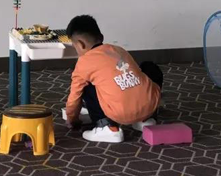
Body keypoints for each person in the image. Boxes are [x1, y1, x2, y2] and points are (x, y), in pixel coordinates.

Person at [64, 15, 162, 143]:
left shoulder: (83, 63)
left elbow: (74, 96)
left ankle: (107, 127)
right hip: (149, 107)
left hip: (120, 113)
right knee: (149, 67)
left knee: (85, 86)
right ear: (101, 37)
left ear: (80, 44)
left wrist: (72, 119)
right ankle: (145, 120)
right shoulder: (119, 50)